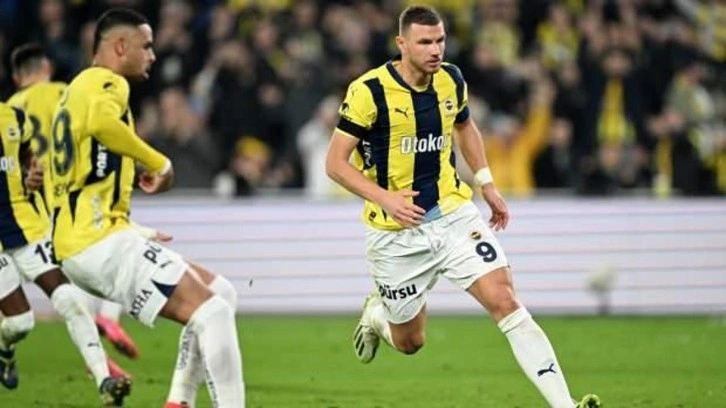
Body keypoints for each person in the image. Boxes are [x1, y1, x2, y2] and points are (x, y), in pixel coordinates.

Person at [325, 5, 601, 408]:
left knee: (505, 300)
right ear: (402, 44)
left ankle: (565, 404)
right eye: (425, 42)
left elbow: (465, 126)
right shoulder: (368, 91)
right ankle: (376, 316)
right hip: (395, 234)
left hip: (454, 215)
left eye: (440, 40)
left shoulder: (451, 79)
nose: (435, 49)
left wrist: (486, 182)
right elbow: (334, 164)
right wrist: (385, 198)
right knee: (410, 342)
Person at [49, 8, 244, 407]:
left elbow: (79, 176)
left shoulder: (76, 90)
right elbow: (103, 124)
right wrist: (159, 163)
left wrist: (133, 226)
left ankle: (179, 401)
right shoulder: (108, 82)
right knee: (213, 314)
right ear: (121, 46)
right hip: (97, 241)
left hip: (86, 238)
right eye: (147, 46)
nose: (153, 55)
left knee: (220, 292)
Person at [7, 42, 131, 379]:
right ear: (46, 67)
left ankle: (97, 359)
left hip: (34, 209)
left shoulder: (12, 109)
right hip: (74, 198)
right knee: (105, 256)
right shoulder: (67, 92)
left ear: (17, 77)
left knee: (67, 285)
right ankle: (108, 320)